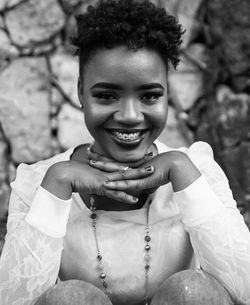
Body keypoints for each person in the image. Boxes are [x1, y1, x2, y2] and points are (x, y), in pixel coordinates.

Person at [0, 0, 250, 304]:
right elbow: (13, 299)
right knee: (70, 298)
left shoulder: (197, 171)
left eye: (149, 95)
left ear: (167, 94)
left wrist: (183, 173)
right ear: (81, 91)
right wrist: (57, 186)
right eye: (106, 95)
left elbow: (244, 289)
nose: (130, 115)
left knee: (192, 290)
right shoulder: (38, 182)